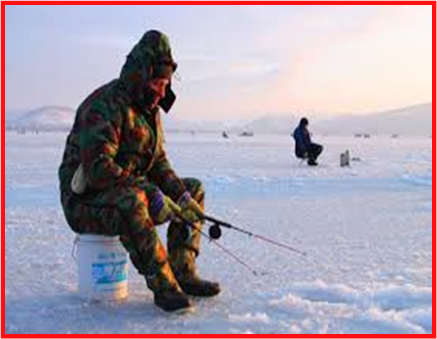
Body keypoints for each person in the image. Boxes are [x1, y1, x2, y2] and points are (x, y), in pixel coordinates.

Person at [59, 30, 220, 313]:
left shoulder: (149, 109)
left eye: (166, 83)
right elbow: (97, 170)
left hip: (127, 189)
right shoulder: (104, 106)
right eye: (158, 82)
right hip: (85, 201)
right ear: (141, 76)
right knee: (132, 202)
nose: (162, 91)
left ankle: (183, 273)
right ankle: (165, 287)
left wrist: (182, 197)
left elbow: (157, 162)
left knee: (193, 187)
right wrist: (150, 193)